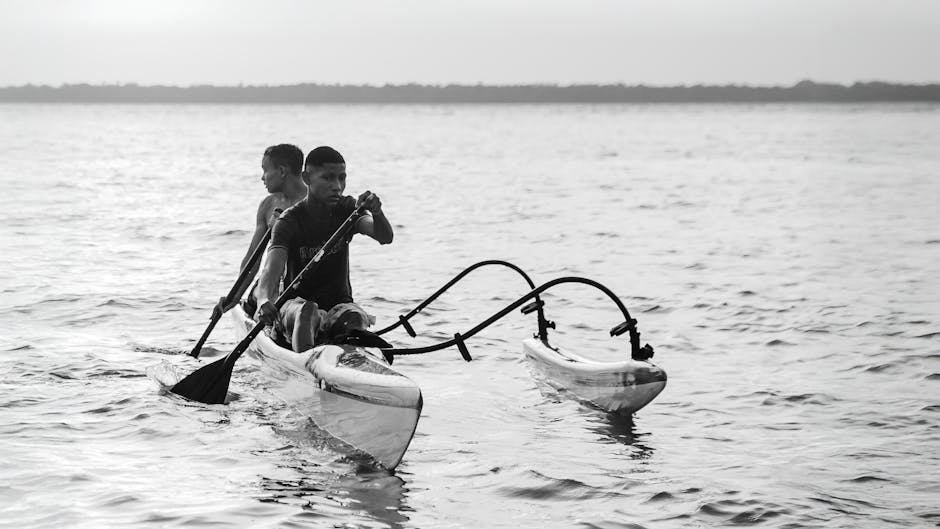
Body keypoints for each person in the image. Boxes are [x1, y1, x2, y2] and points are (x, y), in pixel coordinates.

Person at [254, 145, 393, 352]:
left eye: (342, 178)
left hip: (337, 305)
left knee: (354, 317)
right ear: (307, 178)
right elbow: (271, 270)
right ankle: (307, 367)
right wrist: (263, 299)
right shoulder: (289, 221)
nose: (337, 186)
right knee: (307, 312)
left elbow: (384, 237)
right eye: (328, 178)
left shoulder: (348, 209)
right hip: (295, 307)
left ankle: (350, 359)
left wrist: (378, 212)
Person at [212, 144, 307, 318]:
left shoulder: (314, 202)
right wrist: (234, 296)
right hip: (271, 284)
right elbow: (252, 259)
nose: (262, 177)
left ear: (282, 171)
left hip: (307, 282)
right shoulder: (268, 206)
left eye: (265, 170)